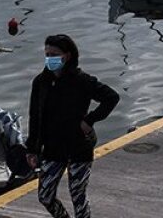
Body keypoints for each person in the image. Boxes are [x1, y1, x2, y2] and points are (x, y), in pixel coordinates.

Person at [25, 34, 120, 218]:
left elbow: (111, 97)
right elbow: (35, 116)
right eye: (47, 54)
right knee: (45, 196)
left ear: (67, 55)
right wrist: (32, 149)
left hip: (78, 147)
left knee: (78, 196)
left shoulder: (82, 80)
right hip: (53, 148)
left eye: (54, 54)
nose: (50, 58)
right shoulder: (40, 82)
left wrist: (90, 120)